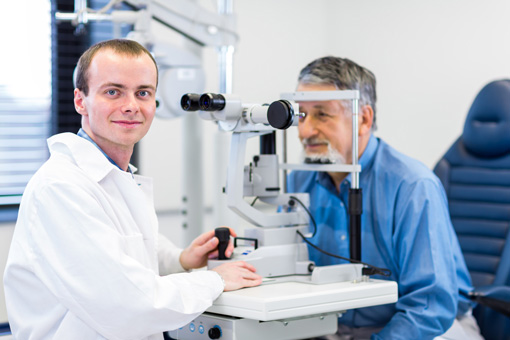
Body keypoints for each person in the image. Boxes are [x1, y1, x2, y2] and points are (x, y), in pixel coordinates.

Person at [3, 39, 262, 340]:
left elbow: (128, 251)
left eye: (143, 93)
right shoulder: (60, 188)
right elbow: (126, 305)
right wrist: (215, 280)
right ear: (79, 101)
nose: (131, 106)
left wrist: (180, 259)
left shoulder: (114, 176)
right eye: (113, 91)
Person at [287, 57, 483, 340]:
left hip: (428, 327)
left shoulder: (412, 185)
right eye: (301, 115)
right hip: (333, 328)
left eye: (322, 115)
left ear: (363, 119)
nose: (305, 132)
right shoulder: (299, 180)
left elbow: (431, 306)